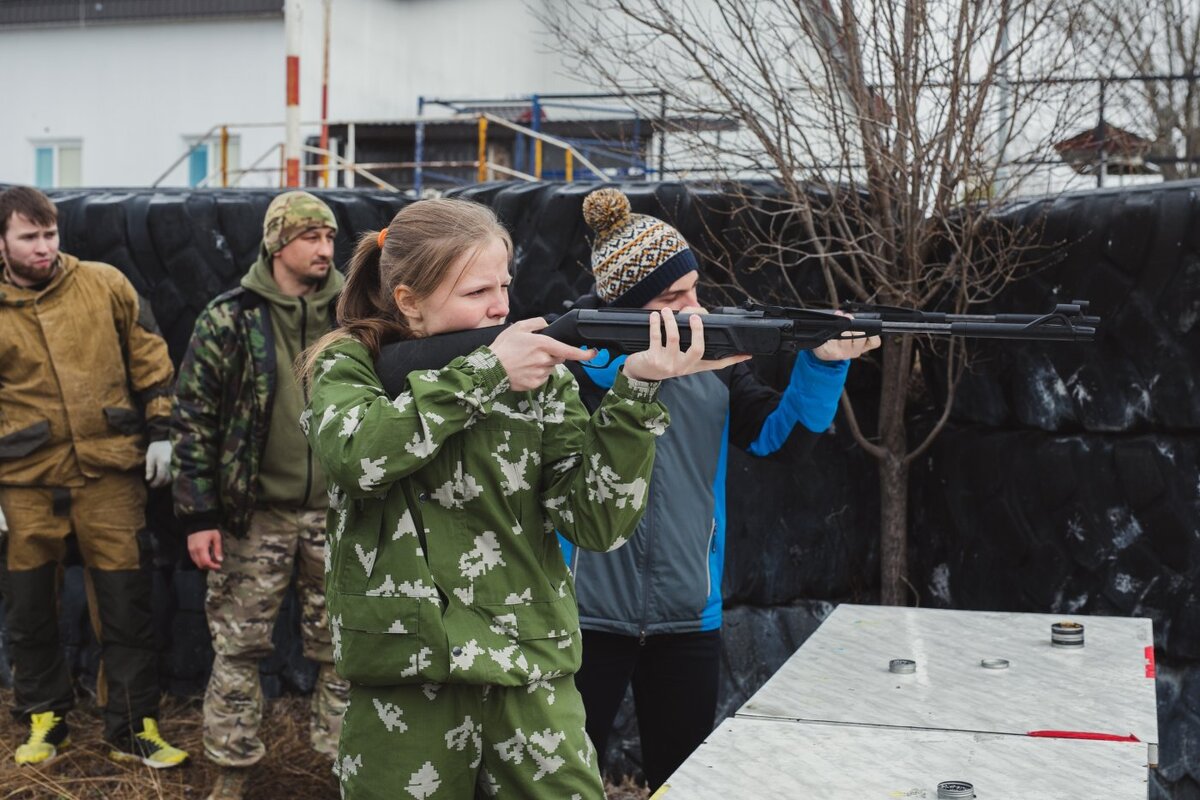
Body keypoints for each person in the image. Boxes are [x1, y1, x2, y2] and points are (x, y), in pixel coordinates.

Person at [299, 197, 744, 799]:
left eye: (505, 284)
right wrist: (485, 373)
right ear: (409, 300)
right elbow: (358, 456)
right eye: (477, 291)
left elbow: (596, 523)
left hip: (528, 666)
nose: (502, 306)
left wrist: (639, 391)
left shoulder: (539, 377)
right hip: (406, 675)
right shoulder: (350, 368)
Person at [561, 187, 881, 791]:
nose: (696, 308)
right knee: (559, 782)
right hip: (580, 619)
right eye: (672, 298)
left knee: (681, 782)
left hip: (688, 616)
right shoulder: (568, 367)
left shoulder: (718, 367)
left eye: (695, 290)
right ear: (626, 311)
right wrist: (632, 373)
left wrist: (825, 363)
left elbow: (777, 442)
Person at [171, 191, 352, 800]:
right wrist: (200, 514)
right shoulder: (232, 317)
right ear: (278, 244)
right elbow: (193, 418)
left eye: (329, 237)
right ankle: (230, 774)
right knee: (239, 648)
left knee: (346, 652)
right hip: (257, 518)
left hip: (342, 514)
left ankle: (346, 772)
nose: (325, 249)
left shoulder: (356, 316)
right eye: (310, 238)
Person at [0, 185, 187, 768]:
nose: (43, 247)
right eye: (28, 236)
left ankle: (132, 726)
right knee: (31, 610)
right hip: (26, 483)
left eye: (49, 233)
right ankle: (44, 719)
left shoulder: (104, 284)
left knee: (127, 605)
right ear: (1, 242)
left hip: (110, 476)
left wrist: (161, 431)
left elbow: (150, 357)